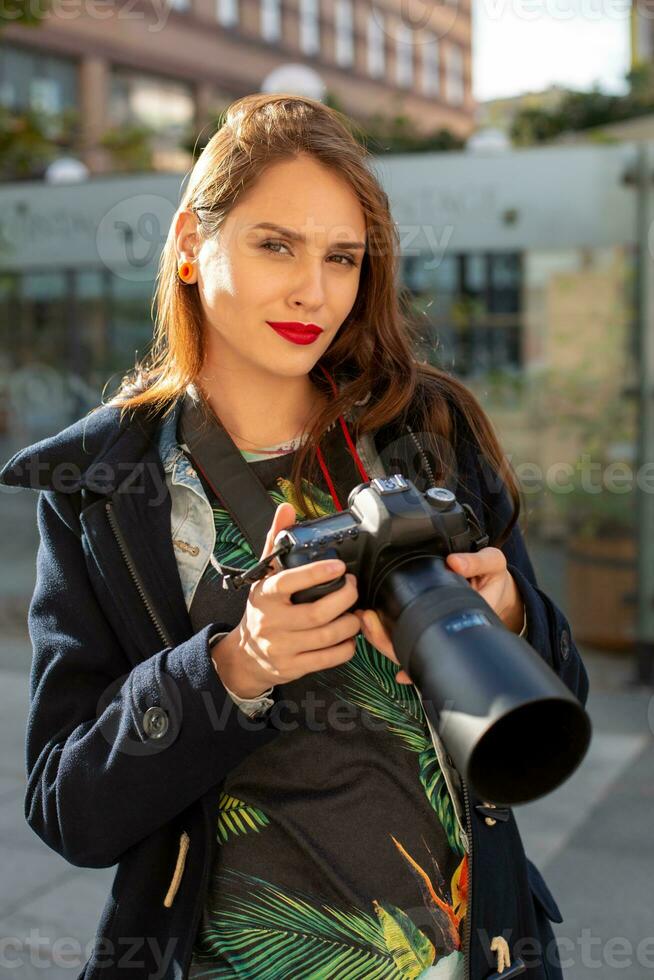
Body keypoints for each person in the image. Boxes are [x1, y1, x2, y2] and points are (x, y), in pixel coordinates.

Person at [0, 94, 588, 980]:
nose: (314, 290)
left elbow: (551, 707)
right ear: (193, 245)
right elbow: (69, 806)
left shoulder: (425, 429)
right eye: (276, 244)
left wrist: (505, 617)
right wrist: (234, 667)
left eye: (342, 257)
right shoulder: (103, 486)